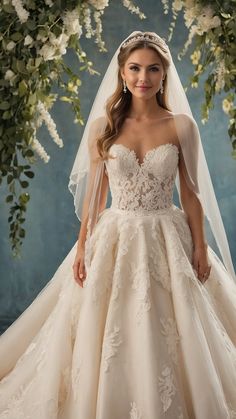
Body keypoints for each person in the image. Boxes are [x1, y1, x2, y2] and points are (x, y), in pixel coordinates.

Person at [0, 31, 236, 419]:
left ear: (164, 74)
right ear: (123, 74)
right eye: (135, 68)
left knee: (175, 324)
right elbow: (95, 196)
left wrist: (199, 245)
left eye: (153, 69)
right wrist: (81, 249)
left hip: (166, 234)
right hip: (116, 234)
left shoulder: (181, 126)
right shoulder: (104, 127)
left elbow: (190, 192)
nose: (143, 77)